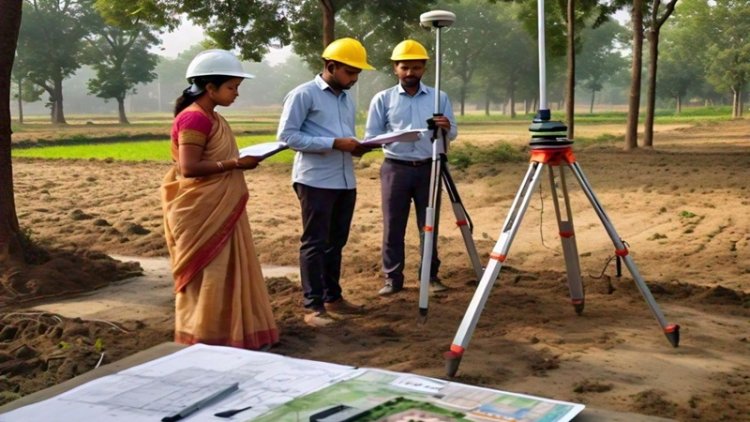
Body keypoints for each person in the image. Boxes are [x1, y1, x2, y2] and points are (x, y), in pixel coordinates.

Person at [161, 49, 279, 350]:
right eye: (231, 87)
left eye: (237, 88)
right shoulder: (194, 119)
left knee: (227, 272)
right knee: (210, 275)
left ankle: (230, 333)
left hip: (222, 206)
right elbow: (188, 168)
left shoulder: (211, 117)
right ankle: (205, 336)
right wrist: (236, 164)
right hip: (201, 210)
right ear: (209, 87)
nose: (236, 94)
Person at [277, 38, 373, 327]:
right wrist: (333, 143)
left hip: (344, 180)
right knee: (315, 243)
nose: (355, 79)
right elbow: (287, 137)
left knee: (336, 242)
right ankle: (313, 305)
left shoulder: (346, 98)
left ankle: (333, 297)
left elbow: (344, 137)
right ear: (330, 66)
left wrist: (355, 147)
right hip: (316, 180)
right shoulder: (303, 95)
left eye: (357, 74)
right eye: (350, 72)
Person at [365, 39, 458, 296]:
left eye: (415, 68)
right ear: (395, 68)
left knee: (428, 224)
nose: (410, 73)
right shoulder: (382, 99)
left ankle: (430, 276)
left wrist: (447, 127)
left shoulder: (439, 97)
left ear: (424, 69)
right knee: (393, 224)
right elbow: (371, 136)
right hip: (395, 168)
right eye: (404, 67)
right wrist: (397, 136)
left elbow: (454, 133)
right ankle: (392, 279)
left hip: (430, 167)